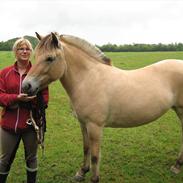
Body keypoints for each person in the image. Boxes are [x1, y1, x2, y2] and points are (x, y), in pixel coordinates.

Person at [0, 38, 49, 183]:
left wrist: (32, 101)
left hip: (30, 125)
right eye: (21, 48)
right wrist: (16, 98)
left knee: (32, 158)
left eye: (27, 49)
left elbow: (45, 98)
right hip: (9, 125)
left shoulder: (38, 73)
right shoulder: (5, 73)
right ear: (15, 51)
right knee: (4, 159)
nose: (24, 51)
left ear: (31, 52)